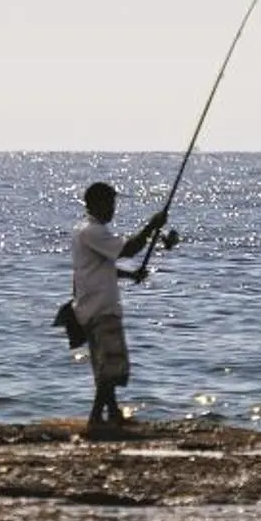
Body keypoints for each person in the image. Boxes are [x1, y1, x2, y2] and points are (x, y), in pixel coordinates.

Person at [68, 181, 169, 431]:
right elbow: (128, 249)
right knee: (111, 366)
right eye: (110, 203)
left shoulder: (84, 231)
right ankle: (95, 419)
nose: (113, 209)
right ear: (95, 204)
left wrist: (130, 276)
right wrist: (151, 226)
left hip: (91, 307)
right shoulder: (92, 231)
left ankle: (113, 414)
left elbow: (98, 268)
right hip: (101, 309)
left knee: (105, 363)